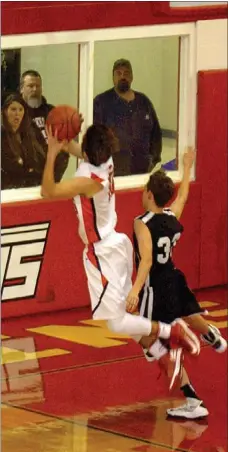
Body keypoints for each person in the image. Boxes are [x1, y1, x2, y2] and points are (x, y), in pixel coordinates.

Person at [41, 124, 200, 367]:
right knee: (126, 313)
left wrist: (52, 152)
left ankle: (170, 330)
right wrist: (64, 144)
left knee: (115, 321)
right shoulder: (106, 160)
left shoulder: (89, 182)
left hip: (103, 252)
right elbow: (81, 151)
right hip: (117, 244)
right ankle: (162, 355)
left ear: (88, 151)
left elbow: (47, 191)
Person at [126, 148, 227, 419]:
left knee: (147, 337)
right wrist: (186, 167)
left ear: (148, 194)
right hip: (173, 277)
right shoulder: (172, 217)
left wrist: (135, 292)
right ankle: (212, 335)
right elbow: (183, 195)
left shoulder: (141, 222)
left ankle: (191, 398)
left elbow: (146, 261)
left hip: (155, 287)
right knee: (187, 311)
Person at [93, 59, 162, 176]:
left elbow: (156, 134)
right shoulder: (101, 102)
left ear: (132, 77)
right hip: (113, 174)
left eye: (126, 73)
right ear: (113, 77)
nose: (122, 77)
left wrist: (153, 160)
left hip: (142, 173)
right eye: (118, 73)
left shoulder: (143, 102)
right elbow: (94, 138)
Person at [20, 69, 69, 181]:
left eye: (38, 86)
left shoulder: (52, 112)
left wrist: (56, 173)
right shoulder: (16, 113)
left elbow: (64, 143)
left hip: (53, 176)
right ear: (22, 89)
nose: (35, 89)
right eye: (30, 86)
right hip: (26, 180)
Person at [1, 93, 46, 189]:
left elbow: (41, 159)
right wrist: (28, 169)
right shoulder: (2, 135)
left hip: (33, 186)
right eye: (13, 109)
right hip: (9, 189)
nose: (17, 113)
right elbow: (10, 167)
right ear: (5, 111)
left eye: (20, 109)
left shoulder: (30, 132)